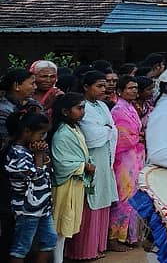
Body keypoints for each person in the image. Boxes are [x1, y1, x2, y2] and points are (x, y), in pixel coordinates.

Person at [64, 71, 116, 261]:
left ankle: (97, 246)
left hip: (105, 157)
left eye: (105, 86)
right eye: (99, 86)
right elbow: (92, 137)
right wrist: (107, 130)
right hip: (91, 157)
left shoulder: (102, 105)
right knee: (89, 202)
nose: (104, 89)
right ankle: (82, 250)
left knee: (102, 199)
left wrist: (106, 130)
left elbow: (113, 129)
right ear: (86, 87)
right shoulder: (81, 107)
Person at [4, 111, 56, 263]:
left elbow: (47, 168)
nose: (43, 138)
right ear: (27, 132)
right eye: (41, 134)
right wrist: (39, 156)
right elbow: (36, 176)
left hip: (42, 207)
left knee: (49, 240)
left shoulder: (30, 150)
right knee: (22, 246)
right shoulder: (16, 154)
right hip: (27, 210)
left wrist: (40, 156)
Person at [50, 93, 93, 263]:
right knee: (60, 228)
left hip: (75, 184)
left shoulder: (74, 129)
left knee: (65, 227)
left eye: (83, 108)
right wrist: (84, 166)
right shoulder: (62, 134)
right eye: (79, 108)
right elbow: (61, 163)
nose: (82, 112)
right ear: (66, 111)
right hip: (65, 186)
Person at [108, 76, 144, 251]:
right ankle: (115, 237)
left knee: (134, 196)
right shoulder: (118, 110)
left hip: (134, 157)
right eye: (130, 88)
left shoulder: (130, 107)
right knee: (124, 197)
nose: (134, 90)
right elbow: (121, 137)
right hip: (123, 159)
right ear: (120, 91)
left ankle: (131, 236)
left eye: (136, 87)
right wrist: (139, 137)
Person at [0, 69, 44, 149]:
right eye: (32, 83)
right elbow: (7, 140)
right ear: (16, 86)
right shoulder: (3, 111)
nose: (35, 87)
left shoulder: (33, 105)